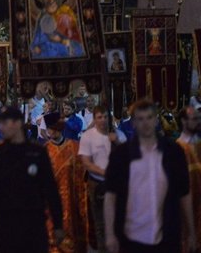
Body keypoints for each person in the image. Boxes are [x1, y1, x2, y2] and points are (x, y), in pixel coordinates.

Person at [104, 100, 197, 253]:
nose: (145, 123)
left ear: (155, 119)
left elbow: (184, 193)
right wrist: (110, 234)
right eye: (140, 119)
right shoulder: (121, 156)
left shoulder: (173, 153)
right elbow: (111, 195)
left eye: (149, 117)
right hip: (130, 238)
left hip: (166, 235)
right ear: (133, 122)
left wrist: (191, 232)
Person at [0, 106, 64, 253]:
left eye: (4, 123)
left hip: (34, 219)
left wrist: (58, 224)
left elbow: (50, 189)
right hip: (6, 219)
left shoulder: (37, 153)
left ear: (17, 123)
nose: (0, 128)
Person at [78, 106, 125, 253]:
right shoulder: (88, 136)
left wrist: (117, 141)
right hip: (96, 182)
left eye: (105, 117)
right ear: (94, 119)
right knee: (99, 222)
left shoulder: (119, 135)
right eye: (99, 117)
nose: (103, 120)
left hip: (116, 183)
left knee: (118, 219)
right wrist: (104, 172)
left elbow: (127, 156)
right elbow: (86, 162)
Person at [43, 112, 88, 253]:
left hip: (71, 200)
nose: (53, 131)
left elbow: (82, 177)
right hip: (50, 202)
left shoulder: (75, 147)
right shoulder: (43, 151)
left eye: (55, 127)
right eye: (50, 128)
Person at [177, 106, 201, 248]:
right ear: (183, 121)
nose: (199, 122)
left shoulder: (199, 144)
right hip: (187, 208)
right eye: (195, 119)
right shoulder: (178, 148)